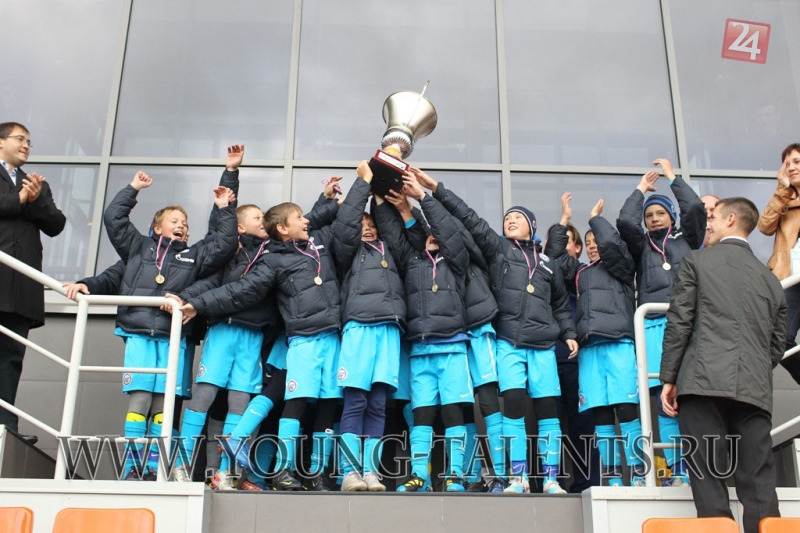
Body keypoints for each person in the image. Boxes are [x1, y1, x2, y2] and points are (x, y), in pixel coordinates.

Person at [411, 168, 577, 495]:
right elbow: (468, 218)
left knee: (547, 412)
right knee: (513, 408)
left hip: (543, 346)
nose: (510, 220)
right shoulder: (499, 250)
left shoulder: (548, 263)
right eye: (507, 218)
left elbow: (560, 303)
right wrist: (434, 190)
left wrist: (568, 332)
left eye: (518, 217)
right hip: (509, 343)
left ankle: (551, 478)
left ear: (532, 226)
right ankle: (517, 478)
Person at [179, 197, 344, 491]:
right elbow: (227, 285)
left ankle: (228, 474)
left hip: (259, 336)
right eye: (256, 217)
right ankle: (182, 465)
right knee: (208, 398)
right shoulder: (236, 252)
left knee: (242, 402)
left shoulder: (277, 250)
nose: (261, 220)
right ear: (241, 227)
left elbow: (306, 221)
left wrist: (330, 202)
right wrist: (192, 301)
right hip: (232, 329)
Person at [103, 171, 238, 480]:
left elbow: (224, 244)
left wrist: (224, 209)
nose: (182, 226)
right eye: (174, 221)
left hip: (175, 338)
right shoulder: (138, 247)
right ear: (156, 227)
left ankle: (153, 469)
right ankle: (131, 469)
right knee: (140, 401)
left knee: (164, 407)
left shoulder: (193, 256)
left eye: (185, 223)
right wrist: (133, 188)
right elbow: (114, 219)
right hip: (139, 333)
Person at [661, 197, 784, 533]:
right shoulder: (770, 279)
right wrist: (754, 367)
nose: (708, 224)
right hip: (754, 387)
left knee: (707, 474)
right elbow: (778, 344)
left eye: (713, 217)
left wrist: (669, 376)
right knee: (758, 480)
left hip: (701, 382)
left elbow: (680, 321)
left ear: (731, 220)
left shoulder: (696, 261)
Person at [373, 174, 472, 493]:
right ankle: (420, 475)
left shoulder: (457, 261)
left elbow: (445, 228)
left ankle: (455, 475)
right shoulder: (412, 260)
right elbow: (393, 233)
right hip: (420, 349)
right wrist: (380, 194)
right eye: (427, 232)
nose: (433, 234)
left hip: (452, 347)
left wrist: (423, 199)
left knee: (453, 412)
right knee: (422, 414)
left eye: (437, 232)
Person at [616, 159, 706, 487]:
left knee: (692, 394)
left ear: (671, 216)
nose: (654, 219)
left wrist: (671, 177)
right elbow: (624, 221)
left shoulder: (688, 238)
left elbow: (694, 207)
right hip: (654, 326)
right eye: (649, 215)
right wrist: (641, 189)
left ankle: (699, 468)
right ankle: (677, 471)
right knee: (662, 398)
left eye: (660, 213)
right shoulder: (642, 246)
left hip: (689, 324)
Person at [547, 194, 645, 487]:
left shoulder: (623, 268)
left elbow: (613, 244)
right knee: (600, 414)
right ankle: (612, 478)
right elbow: (553, 257)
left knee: (626, 411)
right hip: (589, 351)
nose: (592, 246)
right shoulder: (580, 273)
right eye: (588, 243)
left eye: (595, 241)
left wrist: (594, 219)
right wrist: (564, 220)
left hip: (619, 343)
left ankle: (639, 474)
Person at [332, 164, 406, 492]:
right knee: (355, 402)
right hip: (358, 328)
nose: (366, 229)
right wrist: (363, 185)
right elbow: (345, 226)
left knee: (377, 405)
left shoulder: (392, 250)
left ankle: (371, 471)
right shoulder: (348, 253)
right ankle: (349, 472)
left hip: (388, 329)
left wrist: (378, 197)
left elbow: (392, 226)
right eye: (361, 226)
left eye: (370, 225)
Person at [0, 122, 66, 439]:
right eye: (20, 139)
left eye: (29, 141)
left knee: (11, 358)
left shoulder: (37, 184)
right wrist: (20, 199)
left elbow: (56, 224)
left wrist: (36, 198)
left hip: (21, 287)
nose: (26, 145)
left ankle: (5, 426)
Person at [545, 219, 601, 493]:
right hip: (546, 357)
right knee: (548, 423)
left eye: (566, 240)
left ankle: (587, 484)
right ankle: (548, 481)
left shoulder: (582, 274)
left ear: (578, 248)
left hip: (578, 359)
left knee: (583, 425)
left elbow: (559, 259)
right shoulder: (541, 273)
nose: (558, 246)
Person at [757, 143, 800, 384]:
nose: (791, 167)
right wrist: (782, 189)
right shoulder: (785, 198)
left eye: (797, 162)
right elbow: (764, 226)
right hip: (790, 280)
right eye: (787, 164)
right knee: (779, 339)